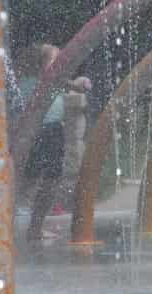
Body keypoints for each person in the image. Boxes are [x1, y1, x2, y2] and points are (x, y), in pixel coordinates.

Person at [12, 43, 91, 244]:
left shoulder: (51, 80)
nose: (61, 63)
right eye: (55, 60)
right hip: (37, 132)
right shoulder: (30, 82)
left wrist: (78, 84)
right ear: (41, 63)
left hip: (51, 131)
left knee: (48, 180)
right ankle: (25, 226)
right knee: (32, 181)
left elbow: (67, 83)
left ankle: (34, 228)